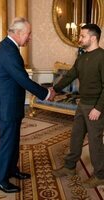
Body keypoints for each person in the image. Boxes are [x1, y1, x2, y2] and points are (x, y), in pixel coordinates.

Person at [0, 17, 54, 193]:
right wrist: (46, 93)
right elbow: (22, 79)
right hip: (6, 107)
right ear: (17, 33)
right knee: (7, 142)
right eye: (28, 33)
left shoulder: (9, 47)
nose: (30, 37)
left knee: (14, 141)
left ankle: (11, 170)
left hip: (10, 104)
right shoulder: (8, 51)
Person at [51, 24, 104, 188]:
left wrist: (98, 108)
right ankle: (69, 167)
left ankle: (100, 175)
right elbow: (70, 75)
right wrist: (54, 89)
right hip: (82, 104)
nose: (79, 39)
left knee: (95, 142)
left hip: (95, 106)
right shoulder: (81, 57)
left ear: (93, 38)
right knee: (76, 136)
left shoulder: (102, 57)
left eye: (82, 36)